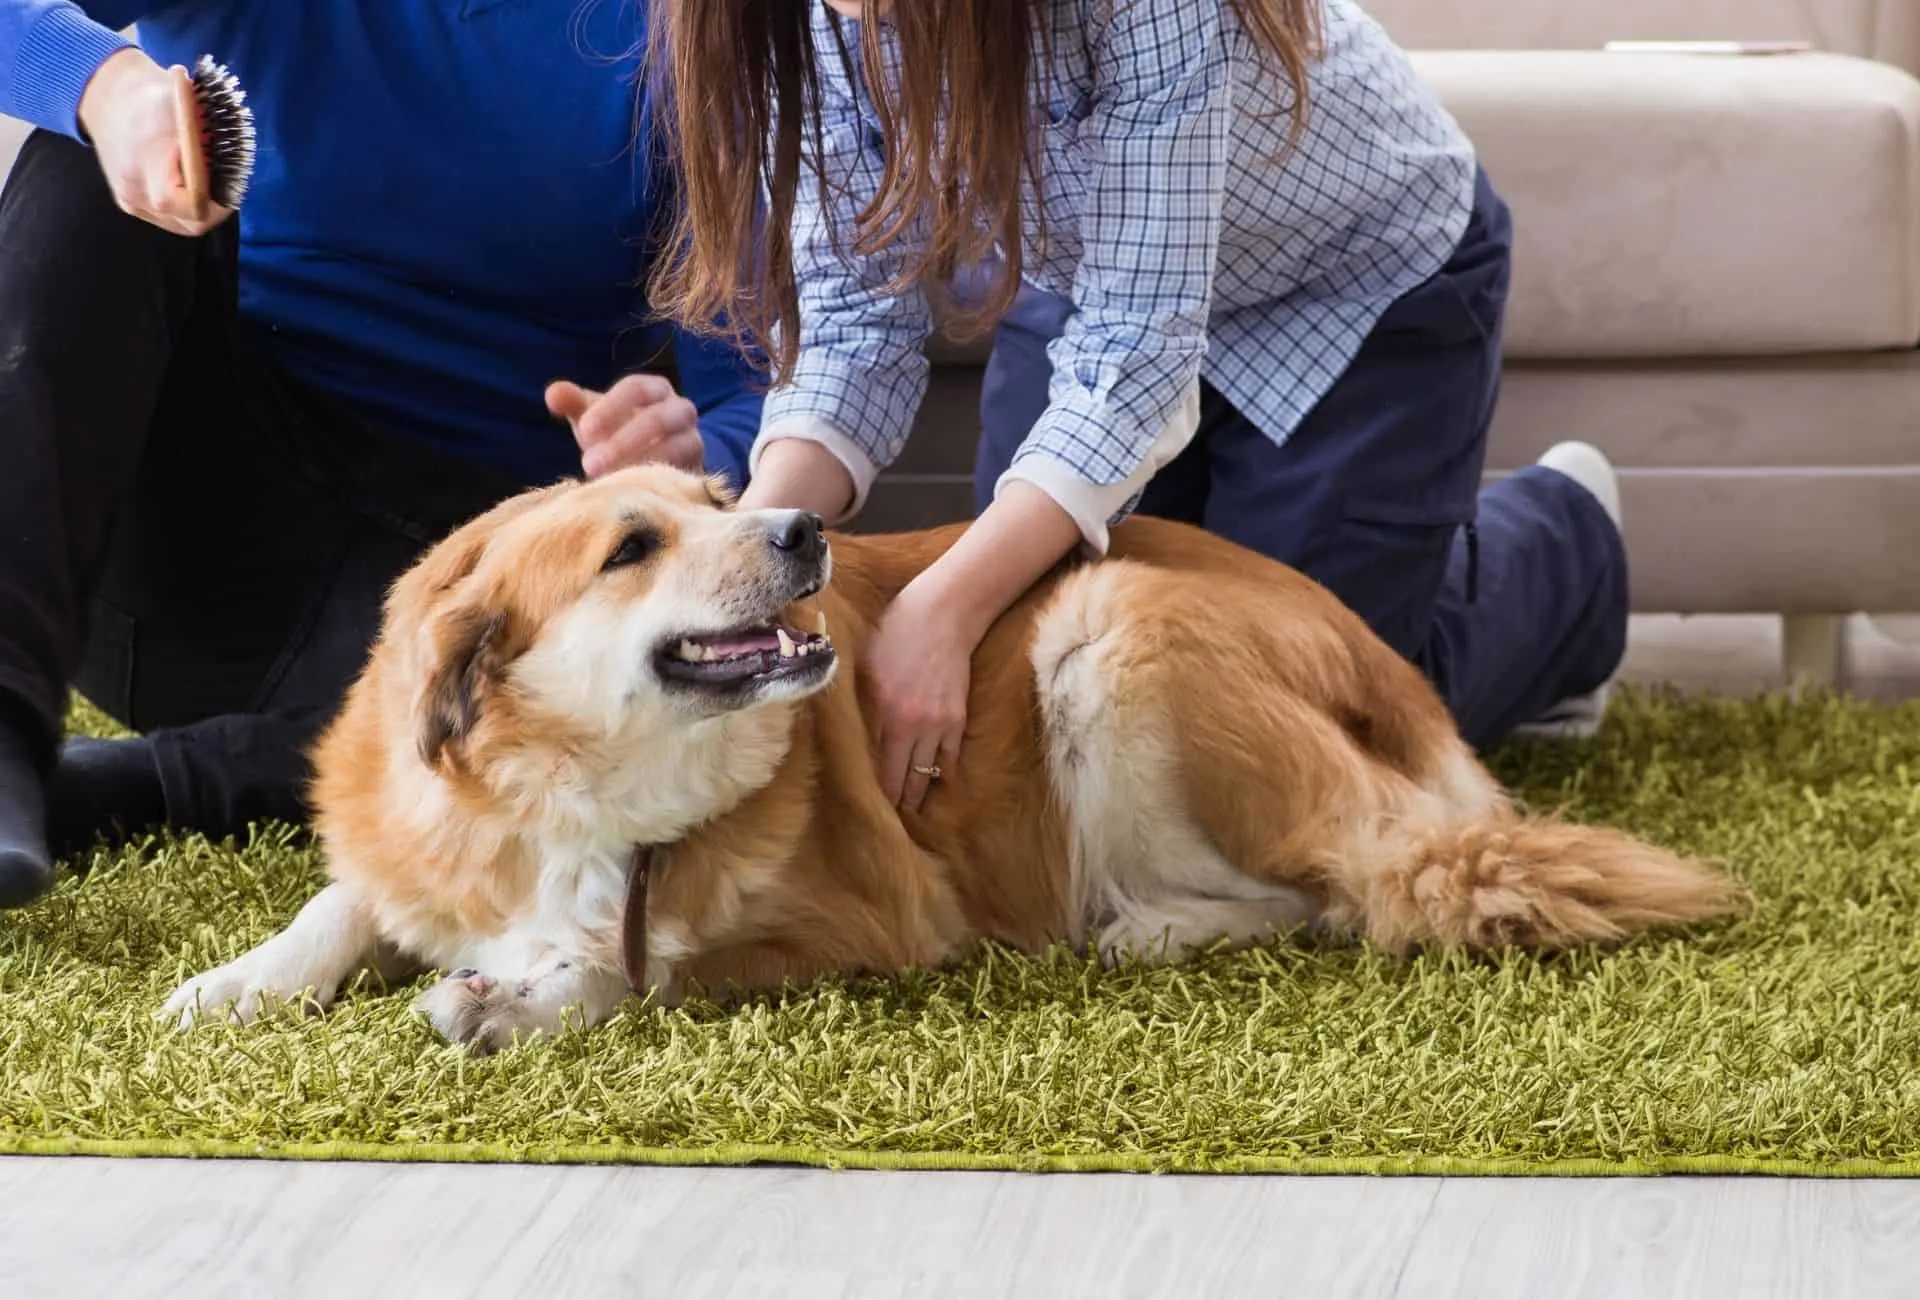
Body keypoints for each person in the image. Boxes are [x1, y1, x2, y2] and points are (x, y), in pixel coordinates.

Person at [650, 0, 1631, 813]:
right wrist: (750, 550)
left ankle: (1568, 545)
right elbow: (854, 321)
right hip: (1087, 291)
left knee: (1301, 725)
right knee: (1034, 689)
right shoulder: (786, 22)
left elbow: (1142, 346)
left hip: (1350, 281)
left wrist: (940, 605)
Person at [0, 0, 764, 908]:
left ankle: (122, 787)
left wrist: (686, 446)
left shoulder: (694, 29)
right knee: (77, 160)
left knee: (553, 720)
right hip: (167, 523)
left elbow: (747, 397)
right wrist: (101, 83)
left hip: (440, 585)